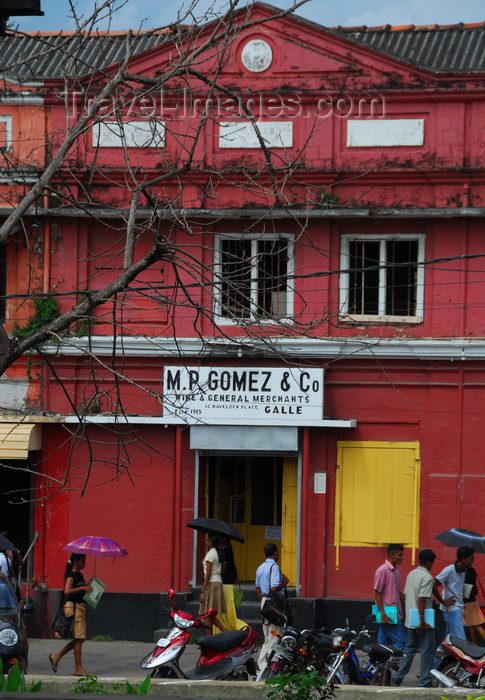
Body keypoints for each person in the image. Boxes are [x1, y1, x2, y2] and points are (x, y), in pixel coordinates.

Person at [392, 548, 437, 688]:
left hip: (410, 619)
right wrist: (422, 620)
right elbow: (422, 600)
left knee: (409, 650)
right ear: (429, 562)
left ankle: (397, 677)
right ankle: (424, 681)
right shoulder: (428, 578)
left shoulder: (411, 574)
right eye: (432, 562)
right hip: (423, 621)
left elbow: (405, 596)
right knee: (427, 651)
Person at [49, 553, 92, 676]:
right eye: (83, 561)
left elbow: (80, 590)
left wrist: (88, 587)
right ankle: (78, 668)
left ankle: (56, 657)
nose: (84, 563)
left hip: (80, 607)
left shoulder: (80, 575)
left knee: (80, 639)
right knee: (79, 638)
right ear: (75, 562)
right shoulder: (71, 575)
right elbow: (67, 590)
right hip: (74, 608)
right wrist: (82, 588)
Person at [255, 542, 289, 670]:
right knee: (276, 636)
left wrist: (265, 600)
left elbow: (257, 588)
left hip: (265, 602)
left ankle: (261, 666)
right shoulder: (274, 567)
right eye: (278, 552)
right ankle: (271, 665)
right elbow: (274, 587)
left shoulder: (260, 567)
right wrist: (284, 583)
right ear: (275, 552)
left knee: (267, 636)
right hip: (274, 604)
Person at [433, 546, 475, 642]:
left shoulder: (465, 571)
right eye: (470, 559)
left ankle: (437, 657)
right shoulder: (449, 570)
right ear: (463, 559)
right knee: (461, 640)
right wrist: (443, 602)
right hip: (452, 610)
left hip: (458, 608)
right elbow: (434, 584)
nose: (472, 562)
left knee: (449, 640)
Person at [373, 543, 406, 649]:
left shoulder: (396, 570)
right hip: (388, 613)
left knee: (382, 643)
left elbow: (399, 593)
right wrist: (382, 614)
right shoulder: (383, 570)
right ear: (391, 555)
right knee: (401, 641)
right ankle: (389, 662)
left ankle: (376, 663)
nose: (402, 558)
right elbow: (377, 592)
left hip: (395, 612)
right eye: (399, 555)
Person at [214, 535, 246, 633]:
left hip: (225, 582)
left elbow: (224, 568)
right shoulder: (221, 550)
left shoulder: (226, 551)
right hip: (225, 582)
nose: (220, 540)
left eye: (222, 538)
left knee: (225, 610)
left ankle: (230, 628)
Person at [199, 534, 226, 635]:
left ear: (210, 542)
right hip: (217, 582)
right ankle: (221, 632)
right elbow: (221, 569)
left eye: (207, 540)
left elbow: (208, 574)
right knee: (209, 614)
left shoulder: (211, 554)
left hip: (211, 584)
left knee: (207, 613)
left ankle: (211, 637)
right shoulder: (217, 553)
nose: (206, 542)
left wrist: (202, 591)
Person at [463, 564, 485, 644]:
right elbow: (473, 587)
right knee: (473, 625)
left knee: (476, 625)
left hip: (468, 602)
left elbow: (466, 588)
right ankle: (474, 644)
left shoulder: (466, 571)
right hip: (472, 600)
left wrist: (463, 603)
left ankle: (474, 645)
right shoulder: (472, 570)